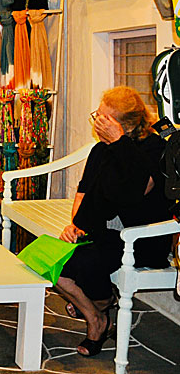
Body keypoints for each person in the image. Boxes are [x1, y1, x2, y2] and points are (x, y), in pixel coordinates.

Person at [56, 86, 173, 357]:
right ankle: (98, 312)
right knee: (49, 262)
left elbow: (132, 193)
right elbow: (83, 192)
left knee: (83, 264)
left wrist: (121, 144)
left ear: (125, 125)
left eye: (104, 118)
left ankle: (97, 314)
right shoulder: (100, 150)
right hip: (103, 236)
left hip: (141, 240)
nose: (97, 121)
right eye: (97, 115)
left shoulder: (155, 148)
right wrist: (75, 225)